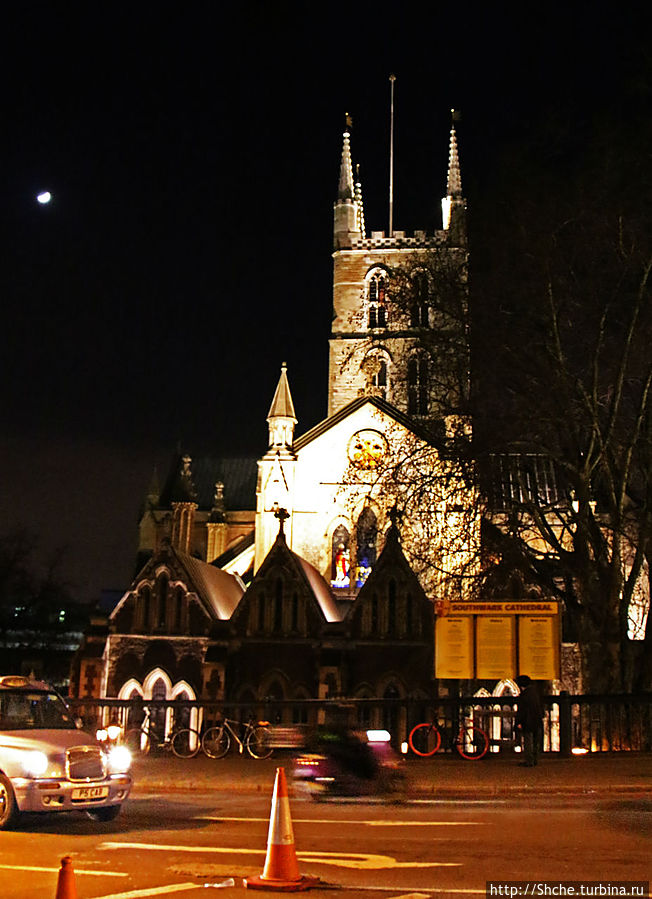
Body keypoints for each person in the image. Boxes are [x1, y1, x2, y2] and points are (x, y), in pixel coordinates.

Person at [515, 675, 543, 766]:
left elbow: (522, 710)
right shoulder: (535, 693)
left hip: (527, 721)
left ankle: (529, 761)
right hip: (536, 720)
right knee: (535, 741)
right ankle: (535, 759)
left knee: (528, 741)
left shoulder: (524, 695)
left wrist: (519, 722)